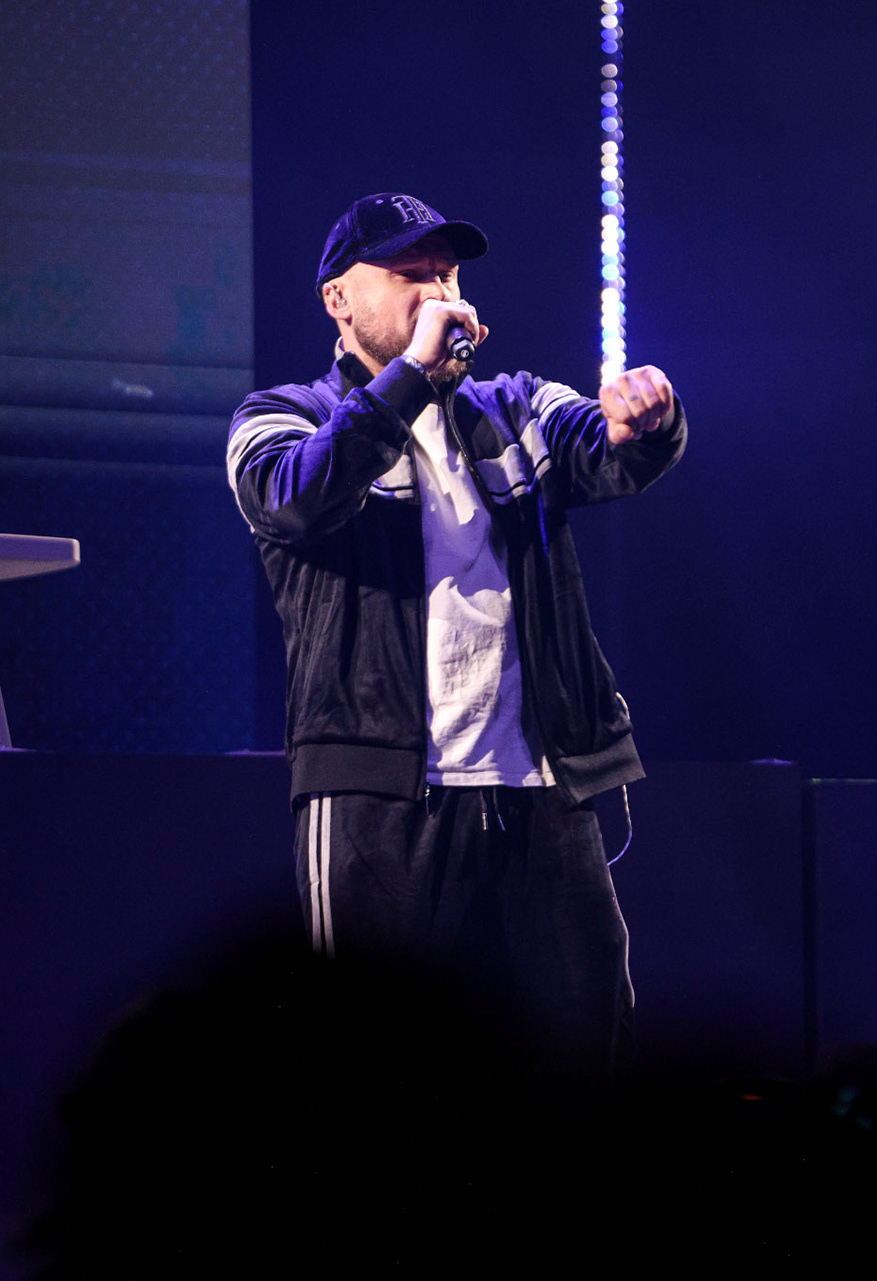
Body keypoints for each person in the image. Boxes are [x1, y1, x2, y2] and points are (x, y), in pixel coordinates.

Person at [226, 192, 685, 1076]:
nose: (438, 292)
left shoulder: (515, 407)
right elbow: (295, 498)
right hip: (381, 806)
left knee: (585, 1068)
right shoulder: (282, 415)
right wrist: (407, 381)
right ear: (338, 299)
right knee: (376, 1073)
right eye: (410, 273)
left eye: (447, 274)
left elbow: (601, 449)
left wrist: (645, 424)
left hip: (540, 797)